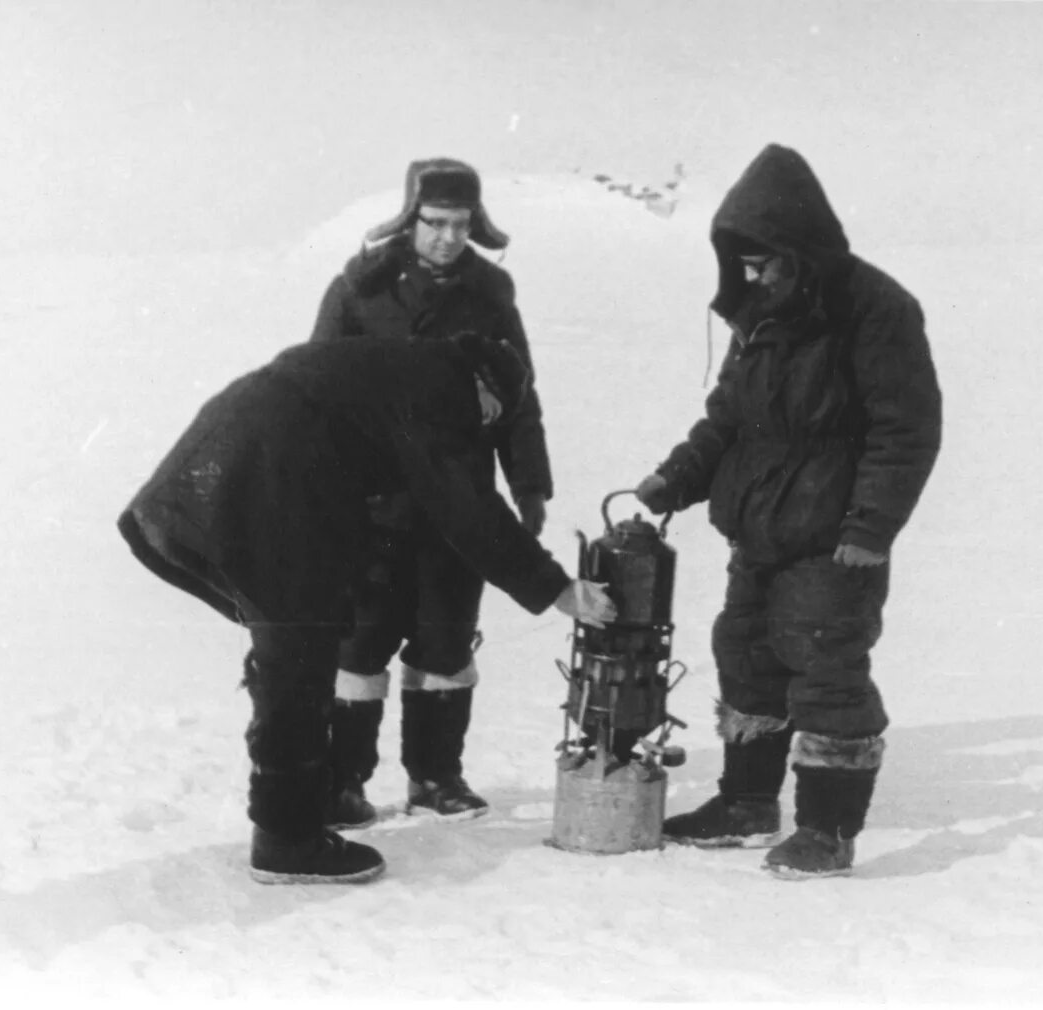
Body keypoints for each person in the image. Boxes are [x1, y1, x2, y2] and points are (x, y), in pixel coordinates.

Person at [117, 332, 615, 884]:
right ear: (480, 382)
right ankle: (287, 840)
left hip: (218, 472)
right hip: (266, 478)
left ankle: (308, 807)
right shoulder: (440, 382)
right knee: (297, 653)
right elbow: (468, 506)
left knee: (297, 643)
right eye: (490, 411)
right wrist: (558, 591)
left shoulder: (402, 365)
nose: (482, 427)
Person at [633, 144, 942, 879]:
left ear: (800, 250)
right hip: (762, 527)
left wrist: (871, 528)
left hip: (834, 537)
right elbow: (729, 418)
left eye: (763, 259)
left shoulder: (875, 309)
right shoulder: (763, 317)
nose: (751, 274)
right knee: (745, 652)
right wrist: (676, 478)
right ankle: (746, 802)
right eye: (740, 261)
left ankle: (828, 830)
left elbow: (906, 428)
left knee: (825, 667)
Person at [308, 158, 552, 827]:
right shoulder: (361, 288)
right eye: (435, 222)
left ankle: (436, 778)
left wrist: (529, 485)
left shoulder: (491, 292)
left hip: (459, 503)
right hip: (372, 501)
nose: (448, 237)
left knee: (445, 642)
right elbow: (315, 391)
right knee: (359, 643)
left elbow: (519, 397)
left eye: (461, 223)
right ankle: (341, 783)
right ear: (410, 218)